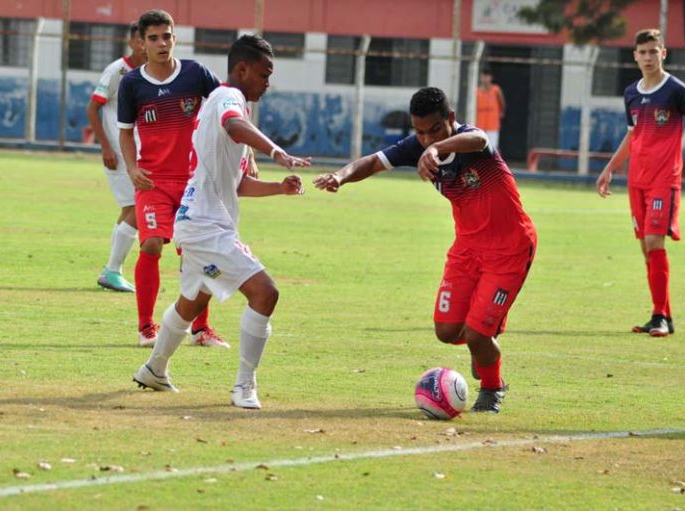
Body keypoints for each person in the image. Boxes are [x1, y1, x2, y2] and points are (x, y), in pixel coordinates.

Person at [313, 87, 536, 414]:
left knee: (477, 335)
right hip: (467, 249)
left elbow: (479, 139)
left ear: (450, 119)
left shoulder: (470, 139)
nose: (427, 139)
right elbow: (373, 162)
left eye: (435, 130)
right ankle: (485, 337)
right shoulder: (416, 146)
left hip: (510, 248)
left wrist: (436, 148)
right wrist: (339, 176)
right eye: (420, 133)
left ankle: (492, 387)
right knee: (446, 331)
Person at [133, 34, 309, 409]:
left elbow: (238, 183)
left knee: (193, 302)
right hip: (205, 226)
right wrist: (276, 150)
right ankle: (244, 386)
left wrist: (279, 187)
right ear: (242, 69)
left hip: (199, 221)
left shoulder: (222, 103)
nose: (267, 83)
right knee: (265, 293)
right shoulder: (228, 98)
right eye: (264, 74)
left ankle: (154, 368)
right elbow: (233, 124)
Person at [118, 9, 229, 348]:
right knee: (151, 244)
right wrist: (132, 168)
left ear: (174, 38)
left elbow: (229, 106)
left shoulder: (196, 73)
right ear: (142, 43)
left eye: (167, 36)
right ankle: (146, 328)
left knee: (196, 252)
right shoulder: (132, 83)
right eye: (153, 38)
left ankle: (201, 328)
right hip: (153, 181)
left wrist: (247, 153)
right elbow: (125, 132)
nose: (162, 43)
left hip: (195, 182)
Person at [596, 28, 685, 337]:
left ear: (663, 53)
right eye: (643, 52)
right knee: (645, 248)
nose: (648, 57)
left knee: (654, 242)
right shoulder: (631, 93)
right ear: (635, 56)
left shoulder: (676, 91)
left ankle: (659, 315)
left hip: (665, 178)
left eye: (653, 51)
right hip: (638, 179)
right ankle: (664, 316)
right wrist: (609, 168)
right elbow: (632, 135)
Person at [86, 22, 146, 293]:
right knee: (137, 209)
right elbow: (92, 109)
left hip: (141, 154)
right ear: (132, 42)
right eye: (141, 39)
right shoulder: (116, 70)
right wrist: (106, 147)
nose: (144, 45)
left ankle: (112, 270)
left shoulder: (151, 73)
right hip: (120, 154)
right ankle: (112, 269)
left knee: (129, 210)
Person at [476, 68, 506, 151]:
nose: (485, 79)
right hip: (480, 125)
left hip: (492, 125)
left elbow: (502, 103)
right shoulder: (477, 92)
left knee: (492, 149)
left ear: (491, 77)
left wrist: (501, 112)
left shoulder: (496, 90)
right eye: (484, 76)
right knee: (480, 149)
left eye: (487, 76)